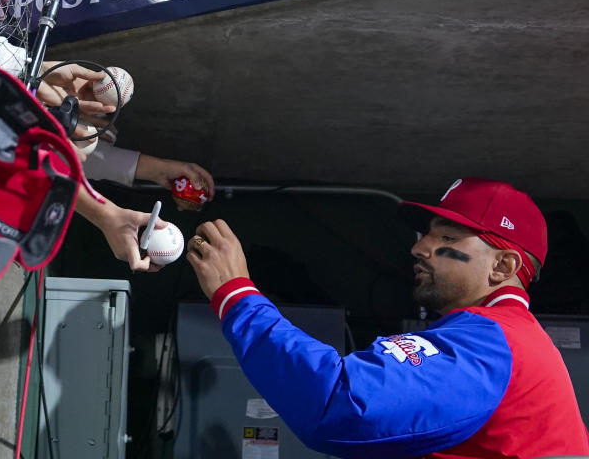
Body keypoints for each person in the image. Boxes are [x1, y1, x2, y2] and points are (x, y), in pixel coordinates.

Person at [187, 178, 589, 457]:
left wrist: (236, 296)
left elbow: (338, 402)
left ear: (502, 266)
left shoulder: (492, 342)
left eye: (448, 238)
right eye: (427, 236)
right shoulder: (513, 339)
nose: (420, 248)